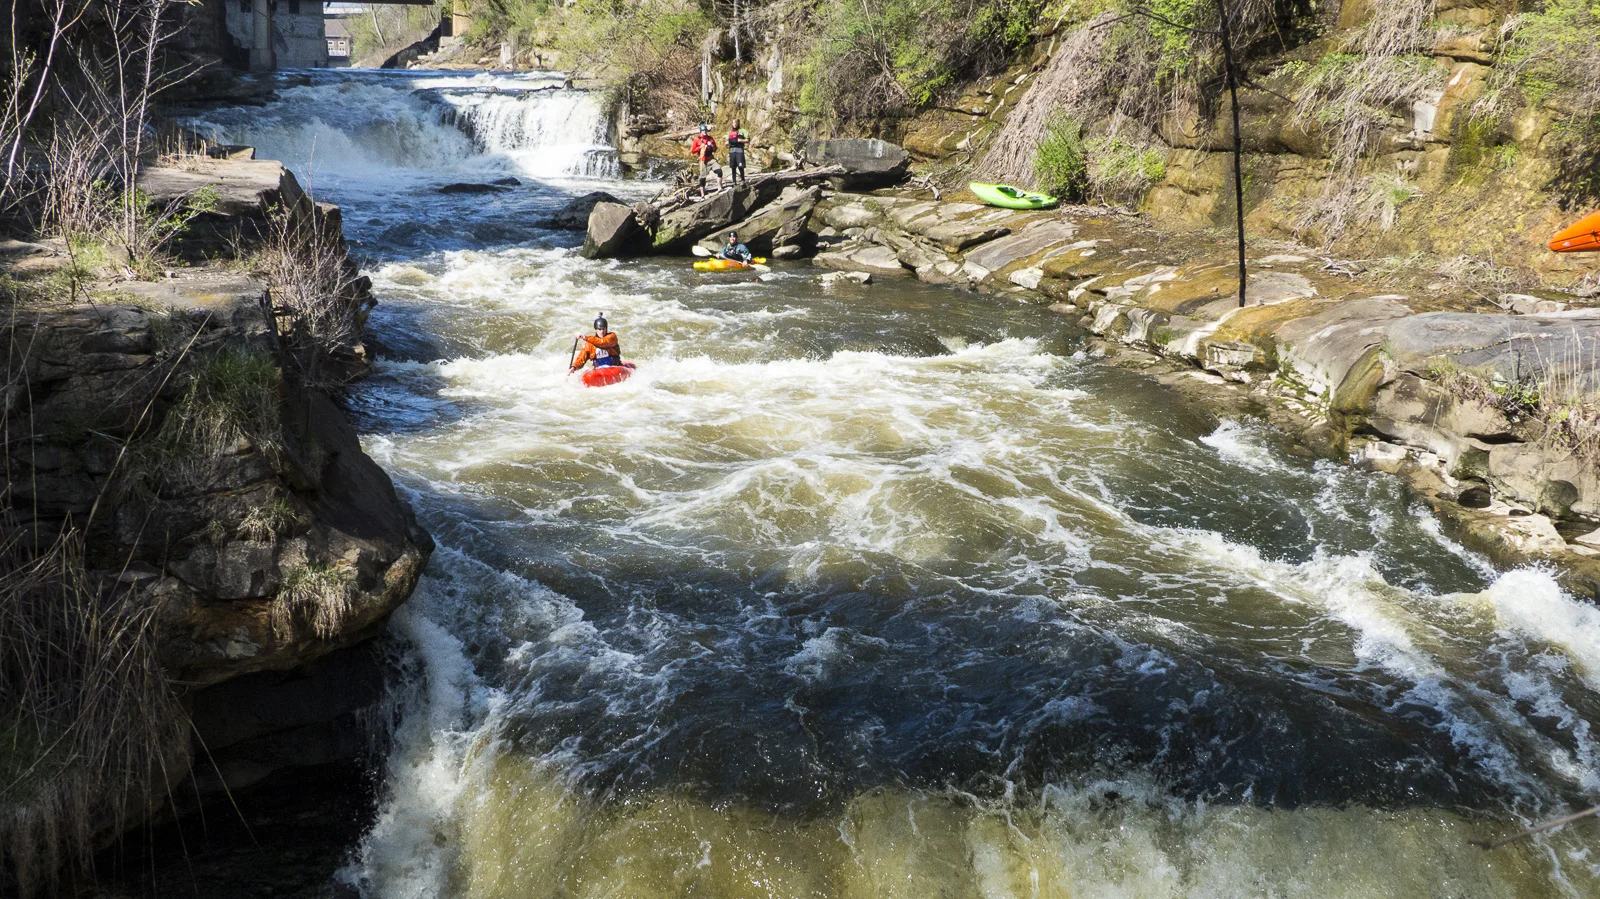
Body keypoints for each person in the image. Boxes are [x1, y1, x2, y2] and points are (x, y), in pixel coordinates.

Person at [688, 124, 722, 199]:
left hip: (711, 159)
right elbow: (693, 151)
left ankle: (719, 188)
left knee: (719, 171)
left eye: (705, 131)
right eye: (703, 131)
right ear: (700, 131)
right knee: (702, 178)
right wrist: (700, 147)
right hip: (703, 160)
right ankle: (702, 194)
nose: (704, 132)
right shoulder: (697, 139)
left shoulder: (710, 138)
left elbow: (715, 149)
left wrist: (712, 145)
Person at [726, 120, 749, 187]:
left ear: (738, 123)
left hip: (739, 151)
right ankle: (734, 181)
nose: (735, 124)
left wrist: (741, 140)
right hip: (732, 151)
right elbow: (726, 141)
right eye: (733, 123)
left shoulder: (743, 131)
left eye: (736, 123)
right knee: (733, 167)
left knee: (740, 166)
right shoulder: (729, 132)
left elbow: (748, 140)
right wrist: (727, 143)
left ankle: (742, 180)